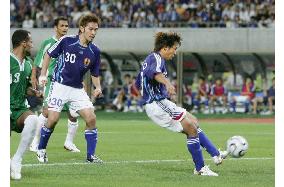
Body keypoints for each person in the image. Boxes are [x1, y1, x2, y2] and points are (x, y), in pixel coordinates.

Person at [135, 32, 227, 176]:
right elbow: (155, 73)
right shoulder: (156, 58)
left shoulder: (152, 59)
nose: (175, 52)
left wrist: (149, 90)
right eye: (174, 48)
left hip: (160, 101)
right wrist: (167, 84)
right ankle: (200, 168)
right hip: (156, 103)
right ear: (165, 47)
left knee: (194, 122)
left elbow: (139, 81)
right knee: (190, 127)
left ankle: (216, 154)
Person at [37, 14, 103, 163]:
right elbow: (48, 55)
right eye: (90, 29)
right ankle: (41, 149)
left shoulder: (95, 51)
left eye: (96, 30)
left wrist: (97, 87)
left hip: (77, 89)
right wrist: (42, 74)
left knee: (91, 118)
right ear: (82, 28)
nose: (93, 32)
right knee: (52, 119)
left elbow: (95, 73)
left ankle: (90, 156)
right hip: (59, 85)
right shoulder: (66, 41)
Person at [30, 17, 80, 153]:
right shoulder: (48, 43)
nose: (65, 28)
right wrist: (36, 76)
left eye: (67, 26)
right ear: (55, 27)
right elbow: (37, 61)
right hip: (53, 82)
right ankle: (34, 142)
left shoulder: (71, 43)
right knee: (46, 112)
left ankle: (69, 143)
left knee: (73, 113)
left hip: (69, 83)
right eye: (62, 26)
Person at [10, 29, 39, 179]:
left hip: (20, 108)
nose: (32, 45)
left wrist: (34, 92)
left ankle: (17, 159)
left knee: (34, 119)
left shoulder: (29, 63)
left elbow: (25, 88)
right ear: (23, 43)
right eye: (30, 42)